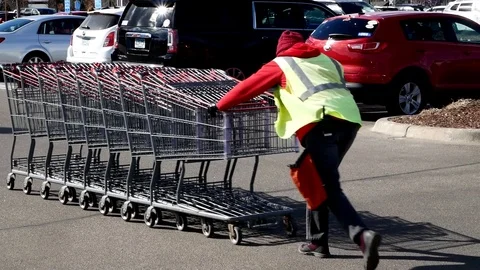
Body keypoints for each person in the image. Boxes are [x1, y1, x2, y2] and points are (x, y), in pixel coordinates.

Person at [207, 31, 382, 270]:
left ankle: (361, 235)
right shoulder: (327, 60)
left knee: (329, 186)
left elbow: (247, 87)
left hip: (320, 123)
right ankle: (317, 243)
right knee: (312, 176)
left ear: (281, 49)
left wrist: (219, 106)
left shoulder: (281, 63)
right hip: (349, 121)